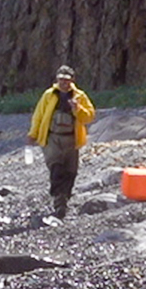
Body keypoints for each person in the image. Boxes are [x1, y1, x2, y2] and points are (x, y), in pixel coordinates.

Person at [28, 65, 95, 218]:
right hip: (53, 137)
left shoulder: (80, 96)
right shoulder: (48, 95)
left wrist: (77, 108)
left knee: (71, 172)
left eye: (66, 80)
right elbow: (38, 115)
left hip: (72, 139)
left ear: (72, 80)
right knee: (56, 168)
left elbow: (89, 117)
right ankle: (59, 201)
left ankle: (65, 197)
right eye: (61, 80)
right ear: (57, 80)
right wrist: (33, 134)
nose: (63, 83)